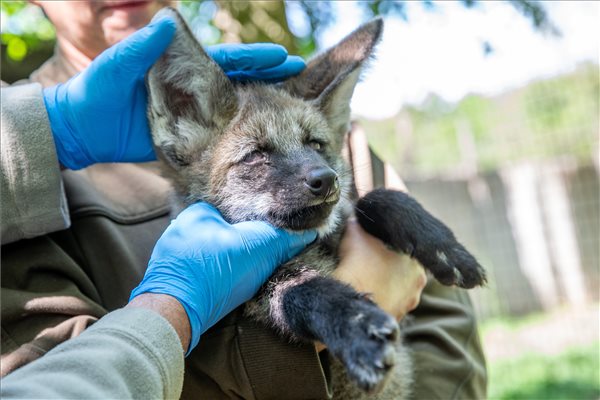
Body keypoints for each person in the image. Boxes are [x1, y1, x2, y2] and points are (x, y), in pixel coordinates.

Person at [0, 1, 486, 399]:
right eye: (257, 156)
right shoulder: (24, 197)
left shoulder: (305, 120)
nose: (316, 173)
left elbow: (447, 332)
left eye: (318, 146)